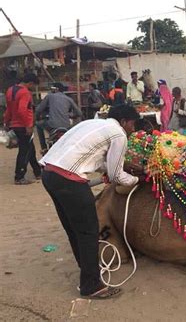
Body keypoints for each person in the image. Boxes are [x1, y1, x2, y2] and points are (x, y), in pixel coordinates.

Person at [39, 104, 143, 299]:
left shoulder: (93, 123)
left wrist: (125, 165)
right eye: (132, 124)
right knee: (88, 231)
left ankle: (88, 269)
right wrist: (137, 179)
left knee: (73, 228)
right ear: (123, 122)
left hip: (49, 174)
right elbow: (114, 175)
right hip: (69, 180)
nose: (133, 129)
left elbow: (94, 158)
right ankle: (91, 285)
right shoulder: (118, 134)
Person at [3, 73, 42, 185]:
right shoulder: (25, 92)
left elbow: (9, 109)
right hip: (23, 126)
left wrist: (6, 121)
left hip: (14, 124)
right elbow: (22, 110)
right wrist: (28, 125)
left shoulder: (10, 90)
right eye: (33, 85)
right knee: (24, 151)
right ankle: (19, 177)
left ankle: (37, 172)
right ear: (30, 83)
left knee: (30, 149)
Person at [36, 83, 83, 153]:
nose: (51, 90)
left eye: (52, 89)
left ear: (56, 89)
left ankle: (44, 148)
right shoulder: (69, 99)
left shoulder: (49, 96)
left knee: (38, 124)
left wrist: (37, 117)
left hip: (52, 125)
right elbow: (79, 113)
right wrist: (69, 114)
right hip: (66, 126)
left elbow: (38, 110)